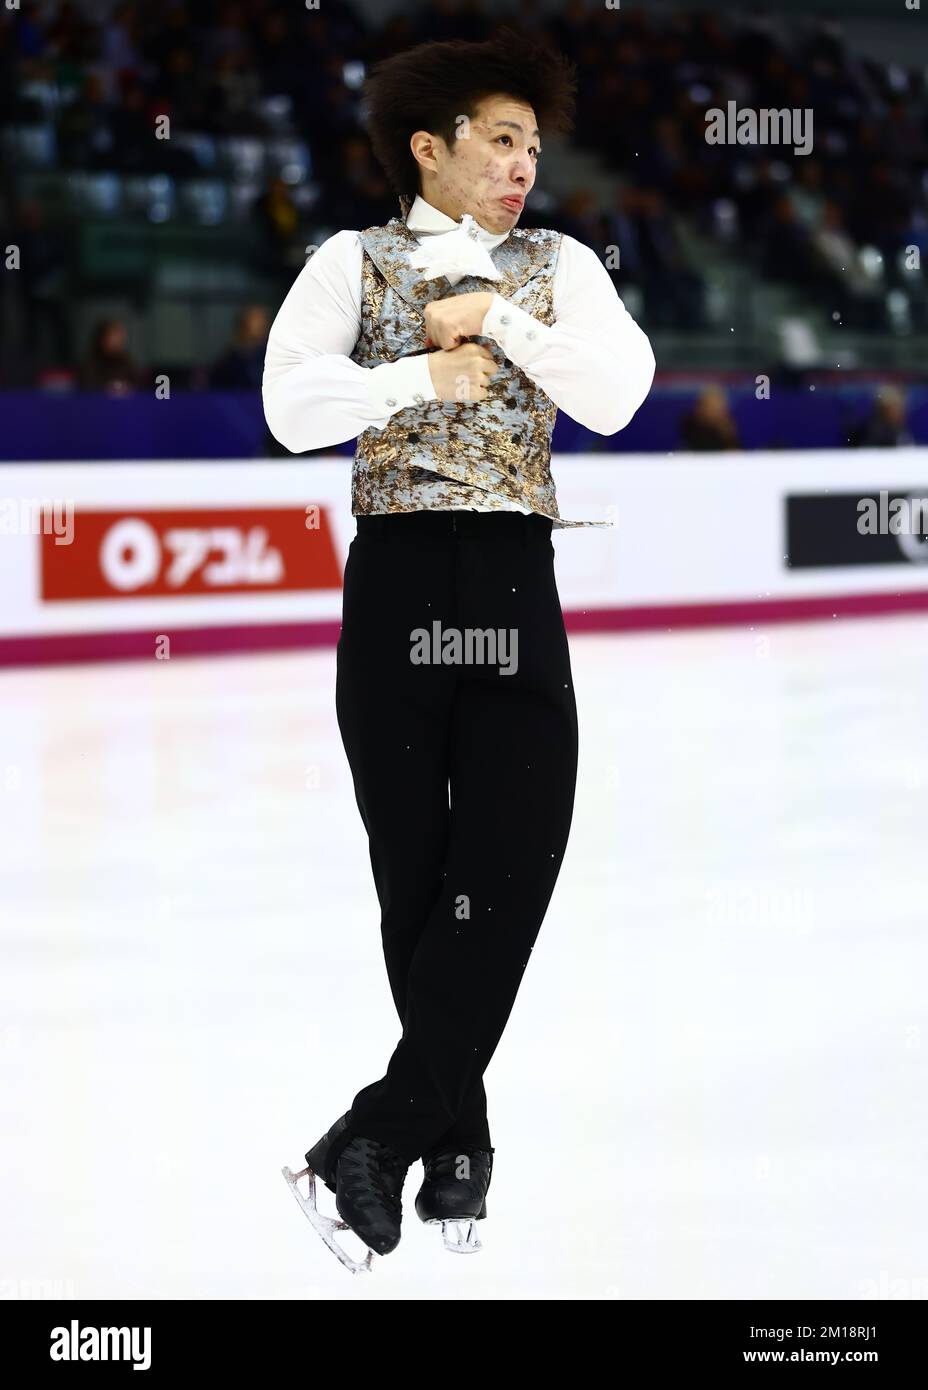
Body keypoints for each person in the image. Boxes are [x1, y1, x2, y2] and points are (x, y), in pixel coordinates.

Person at [265, 25, 655, 1264]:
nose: (521, 163)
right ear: (429, 148)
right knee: (419, 872)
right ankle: (461, 1133)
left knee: (517, 852)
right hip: (393, 580)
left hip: (507, 574)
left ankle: (378, 1129)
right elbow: (287, 408)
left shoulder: (559, 263)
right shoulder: (353, 259)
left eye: (532, 144)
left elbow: (619, 393)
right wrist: (410, 383)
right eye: (499, 139)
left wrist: (509, 325)